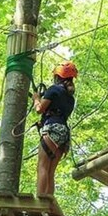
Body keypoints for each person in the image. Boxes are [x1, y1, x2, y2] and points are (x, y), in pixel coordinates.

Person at [33, 61, 77, 195]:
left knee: (42, 167)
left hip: (52, 129)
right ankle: (49, 201)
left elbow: (39, 109)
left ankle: (40, 200)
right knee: (50, 171)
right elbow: (57, 112)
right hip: (64, 133)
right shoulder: (71, 98)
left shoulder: (53, 89)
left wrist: (36, 98)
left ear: (57, 77)